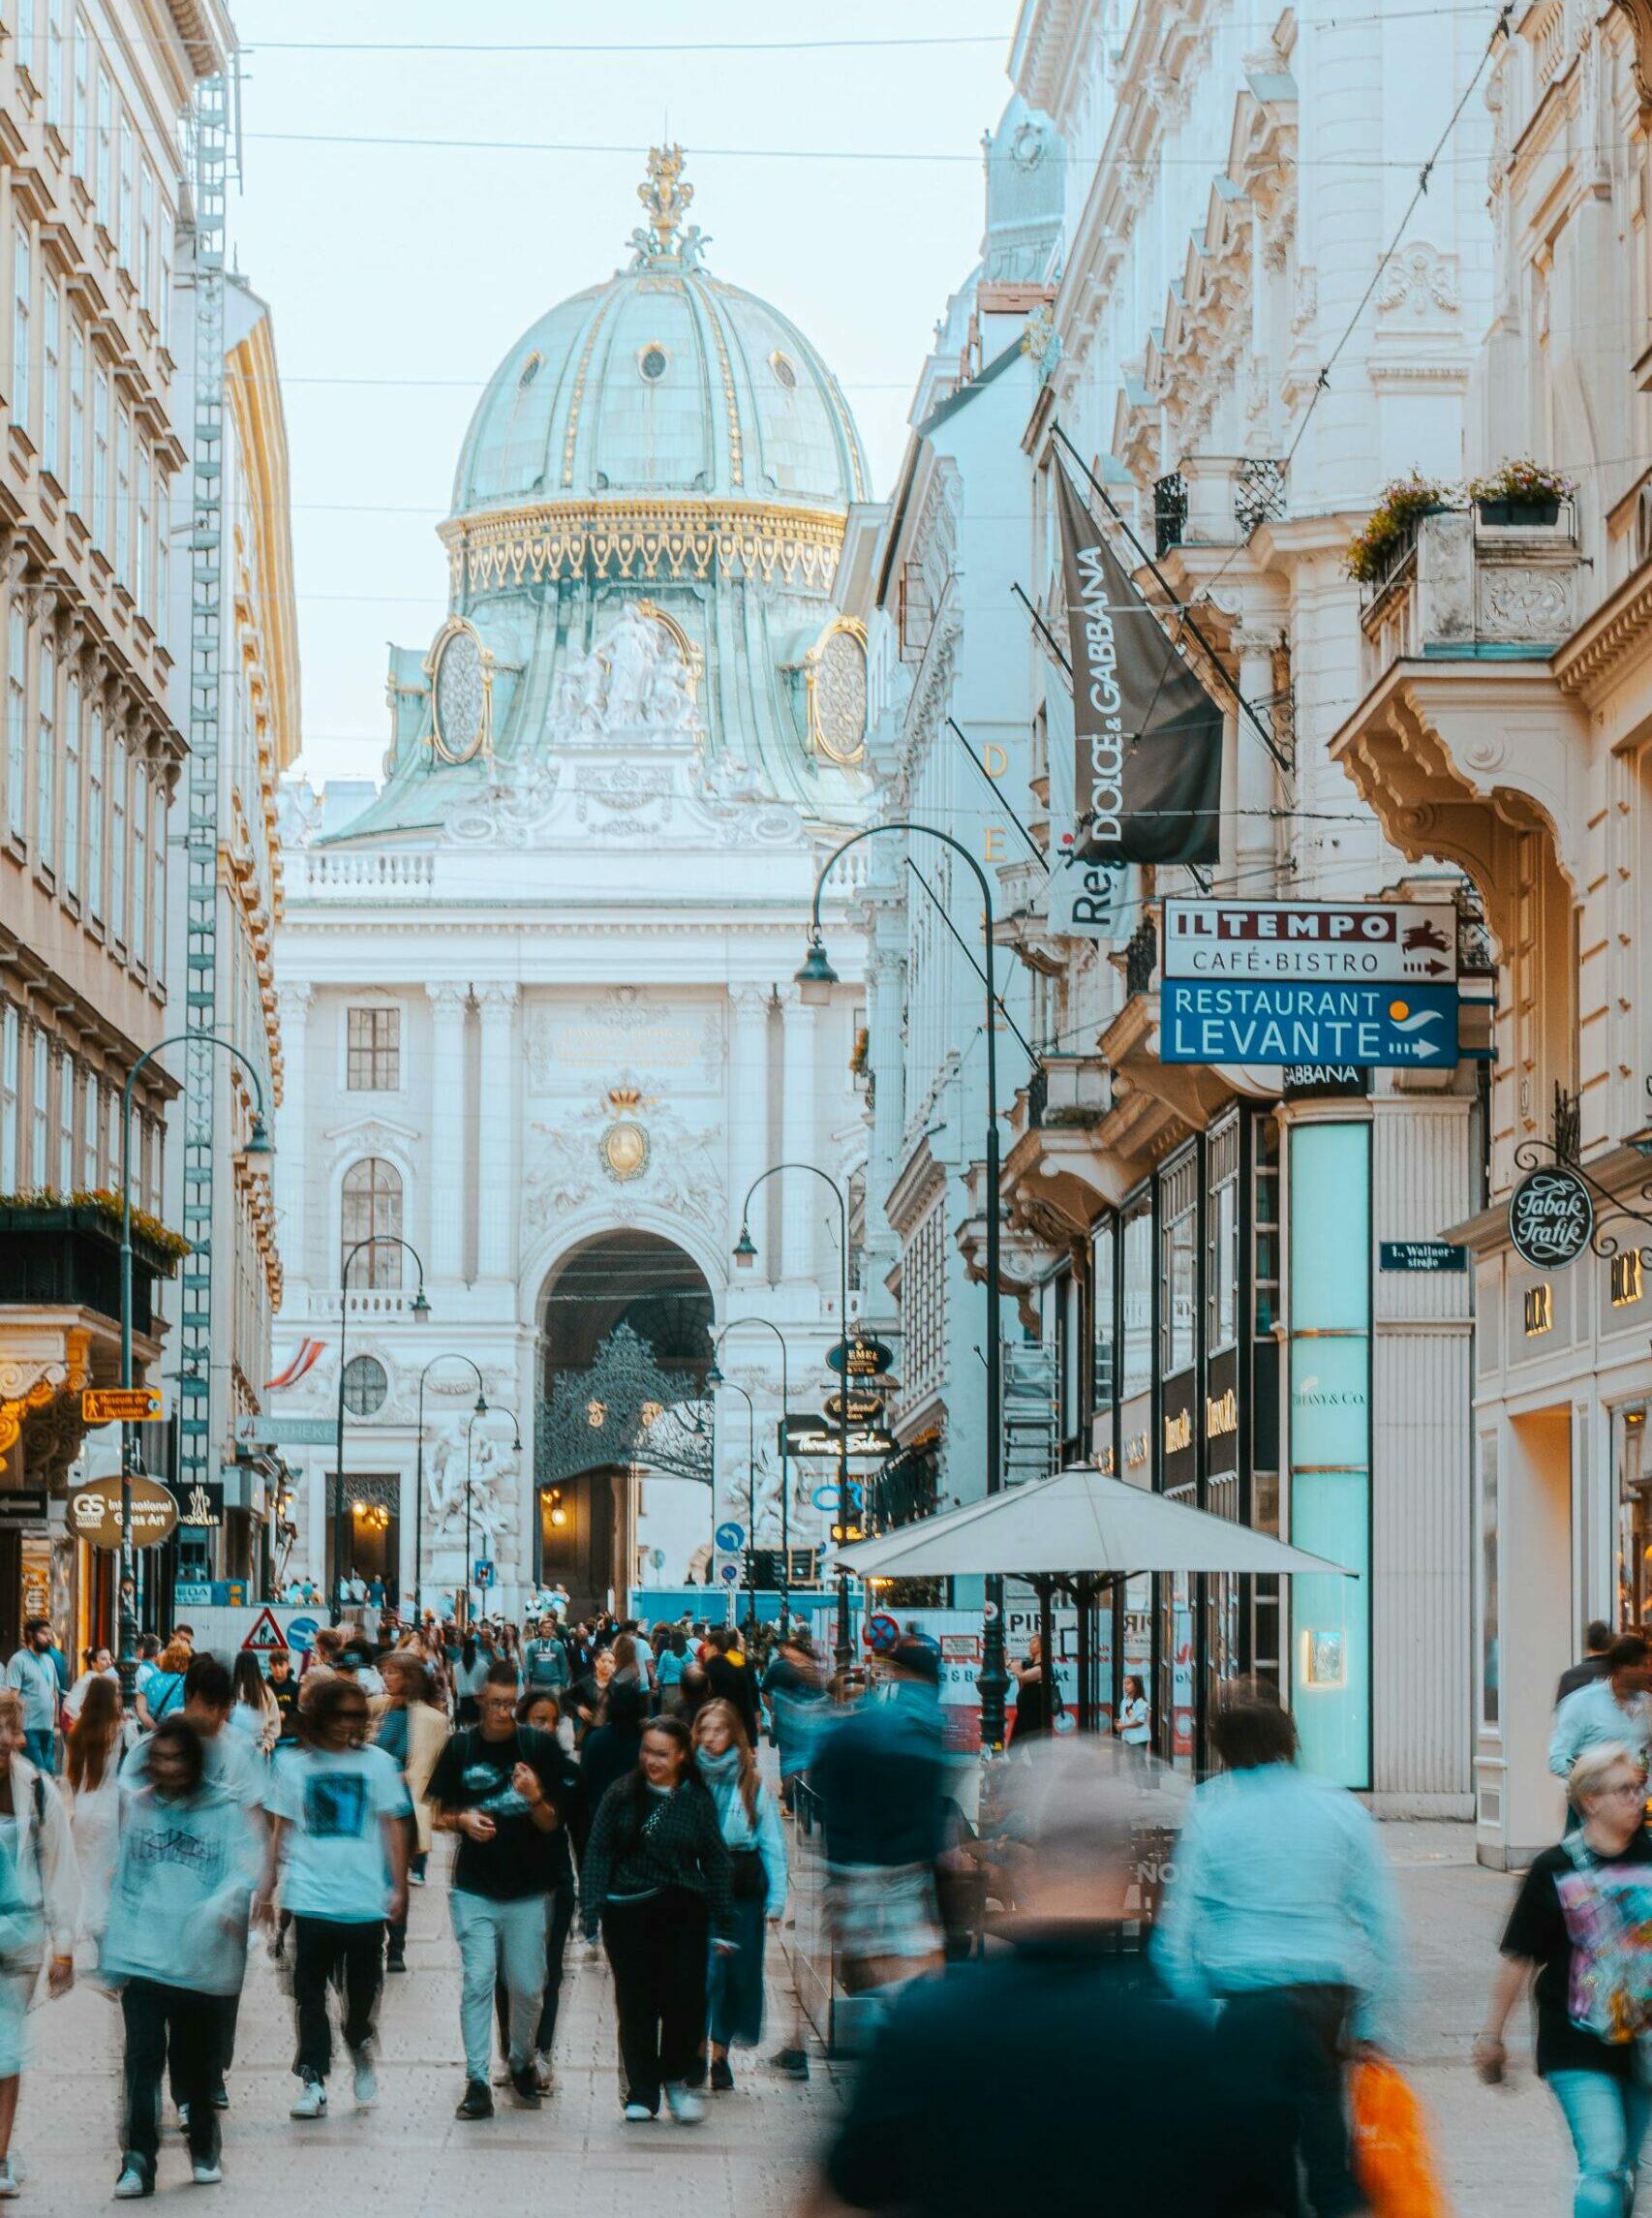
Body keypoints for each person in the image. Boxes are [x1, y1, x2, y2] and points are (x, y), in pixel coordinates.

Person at [809, 1738, 1295, 2218]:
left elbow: (836, 2203)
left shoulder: (926, 2029)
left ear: (1033, 1862)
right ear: (1119, 1864)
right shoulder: (1200, 2057)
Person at [1154, 1679, 1401, 2218]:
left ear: (1223, 1749)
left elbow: (1179, 1925)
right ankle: (1333, 2195)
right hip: (1323, 1990)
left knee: (1254, 2146)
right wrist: (1374, 2024)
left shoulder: (1209, 1807)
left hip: (1243, 1994)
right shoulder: (1338, 1807)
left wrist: (1195, 2007)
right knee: (1322, 2114)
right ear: (1290, 1740)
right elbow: (1381, 1920)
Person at [1476, 1740, 1652, 2218]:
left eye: (1639, 1789)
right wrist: (1491, 2036)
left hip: (1642, 2042)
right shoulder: (1553, 1868)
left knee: (1626, 2166)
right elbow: (1520, 1957)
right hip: (1573, 2039)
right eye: (1625, 1791)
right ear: (1590, 1801)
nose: (1638, 1800)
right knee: (1602, 2161)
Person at [106, 1717, 259, 2197]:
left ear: (194, 1761)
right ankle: (138, 2160)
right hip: (145, 1957)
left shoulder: (223, 1809)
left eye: (178, 1758)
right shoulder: (139, 1808)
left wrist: (221, 1907)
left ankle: (205, 2145)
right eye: (161, 1759)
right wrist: (113, 1948)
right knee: (142, 2060)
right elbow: (125, 1880)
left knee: (194, 2062)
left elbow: (243, 1868)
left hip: (197, 1961)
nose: (168, 1768)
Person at [121, 1654, 268, 2118]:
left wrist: (257, 1882)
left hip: (223, 1893)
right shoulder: (152, 1748)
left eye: (224, 1708)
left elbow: (253, 1818)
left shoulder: (238, 1750)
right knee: (164, 2003)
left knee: (220, 1991)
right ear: (189, 1700)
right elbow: (126, 1812)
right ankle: (179, 2094)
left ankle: (208, 2078)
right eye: (210, 1707)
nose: (218, 1718)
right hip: (161, 1899)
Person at [260, 1673, 410, 2121]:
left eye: (356, 1716)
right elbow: (280, 1830)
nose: (349, 1724)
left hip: (363, 1902)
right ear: (319, 1717)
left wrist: (398, 1886)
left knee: (360, 1998)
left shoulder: (378, 1765)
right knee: (309, 1996)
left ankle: (360, 2041)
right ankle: (313, 2079)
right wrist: (268, 1889)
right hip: (310, 1900)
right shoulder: (292, 1765)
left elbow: (393, 1825)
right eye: (340, 1715)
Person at [427, 1659, 573, 2120]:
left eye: (509, 1705)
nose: (501, 1713)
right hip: (474, 1888)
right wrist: (462, 1821)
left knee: (529, 1988)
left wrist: (533, 1798)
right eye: (494, 1703)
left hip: (528, 1891)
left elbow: (553, 1824)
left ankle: (520, 2058)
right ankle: (476, 2081)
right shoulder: (461, 1747)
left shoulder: (537, 1747)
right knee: (477, 1981)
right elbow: (435, 1813)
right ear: (479, 1699)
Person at [580, 1716, 733, 2125]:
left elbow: (716, 1859)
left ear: (682, 1755)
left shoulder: (696, 1800)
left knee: (685, 2000)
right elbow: (598, 1851)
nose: (652, 1760)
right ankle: (643, 2091)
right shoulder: (621, 1794)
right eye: (647, 1751)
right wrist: (591, 1909)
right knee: (636, 2003)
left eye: (662, 1753)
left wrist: (726, 1919)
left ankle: (676, 2079)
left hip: (683, 1911)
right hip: (627, 1912)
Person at [810, 1640, 947, 1995]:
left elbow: (827, 1786)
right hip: (900, 1864)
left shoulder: (869, 1724)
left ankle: (890, 2023)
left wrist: (837, 1859)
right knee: (910, 1951)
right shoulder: (928, 1730)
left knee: (867, 1949)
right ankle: (904, 2021)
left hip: (863, 1862)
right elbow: (928, 1809)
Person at [0, 1689, 76, 2197]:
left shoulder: (37, 1788)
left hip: (18, 1941)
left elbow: (60, 1870)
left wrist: (63, 1945)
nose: (20, 1738)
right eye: (10, 1727)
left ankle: (0, 2155)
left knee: (4, 2049)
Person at [692, 1700, 786, 2093]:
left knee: (735, 1976)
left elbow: (772, 1844)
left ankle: (720, 2051)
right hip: (697, 1891)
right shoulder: (689, 1778)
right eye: (705, 1730)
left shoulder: (752, 1784)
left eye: (719, 1730)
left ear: (734, 1734)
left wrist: (777, 1898)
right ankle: (697, 2049)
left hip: (742, 1892)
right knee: (703, 1975)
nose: (711, 1738)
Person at [491, 1689, 579, 2095]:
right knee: (507, 1975)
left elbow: (562, 1825)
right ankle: (513, 2052)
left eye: (551, 1720)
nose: (545, 1727)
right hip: (505, 1883)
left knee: (548, 1972)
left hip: (554, 1880)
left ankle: (540, 2053)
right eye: (537, 1720)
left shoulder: (562, 1769)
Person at [377, 1653, 445, 1969]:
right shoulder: (378, 1709)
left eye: (392, 1672)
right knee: (375, 1877)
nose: (386, 1678)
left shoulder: (427, 1719)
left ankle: (397, 1948)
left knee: (396, 1877)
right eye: (384, 1672)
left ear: (409, 1677)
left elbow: (429, 1765)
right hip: (373, 1806)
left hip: (402, 1808)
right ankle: (375, 1939)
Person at [63, 1677, 130, 1947]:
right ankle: (101, 1933)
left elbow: (70, 1776)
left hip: (82, 1808)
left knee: (85, 1874)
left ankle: (81, 1924)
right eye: (116, 1695)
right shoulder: (119, 1729)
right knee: (105, 1875)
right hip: (107, 1809)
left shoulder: (78, 1733)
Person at [1551, 1637, 1652, 1802]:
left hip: (1637, 1810)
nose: (1649, 1671)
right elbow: (1558, 1759)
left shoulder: (1648, 1705)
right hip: (1595, 1815)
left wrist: (1643, 1771)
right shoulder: (1582, 1703)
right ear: (1623, 1668)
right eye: (1644, 1665)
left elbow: (1645, 1752)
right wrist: (1603, 1781)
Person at [761, 1633, 824, 1811]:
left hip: (785, 1723)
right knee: (808, 1761)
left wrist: (773, 1710)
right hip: (807, 1724)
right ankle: (807, 1798)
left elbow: (765, 1692)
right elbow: (820, 1696)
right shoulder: (811, 1669)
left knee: (788, 1760)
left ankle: (791, 1801)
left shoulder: (777, 1668)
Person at [4, 1618, 60, 1774]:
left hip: (47, 1727)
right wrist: (17, 1730)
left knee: (48, 1771)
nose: (49, 1638)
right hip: (28, 1727)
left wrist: (56, 1724)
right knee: (37, 1772)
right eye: (43, 1634)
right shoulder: (18, 1660)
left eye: (50, 1634)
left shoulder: (49, 1660)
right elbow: (13, 1697)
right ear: (30, 1635)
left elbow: (54, 1693)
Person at [703, 1627, 760, 1746]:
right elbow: (747, 1706)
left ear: (714, 1647)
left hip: (708, 1732)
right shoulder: (739, 1671)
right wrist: (752, 1740)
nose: (704, 1651)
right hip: (734, 1729)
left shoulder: (703, 1672)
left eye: (706, 1647)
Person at [1009, 1632, 1058, 1743]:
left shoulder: (1043, 1666)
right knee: (1014, 1746)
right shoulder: (1029, 1663)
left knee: (1034, 1743)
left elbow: (1023, 1677)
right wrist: (1011, 1664)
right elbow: (1014, 1665)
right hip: (1023, 1712)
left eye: (1033, 1642)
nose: (1030, 1645)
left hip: (1035, 1712)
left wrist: (1014, 1667)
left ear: (1042, 1645)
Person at [228, 1653, 280, 1758]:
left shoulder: (231, 1691)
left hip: (233, 1752)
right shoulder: (266, 1692)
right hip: (259, 1751)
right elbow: (274, 1725)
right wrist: (265, 1746)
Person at [137, 1637, 191, 1733]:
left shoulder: (153, 1678)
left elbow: (140, 1709)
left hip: (152, 1739)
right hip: (179, 1736)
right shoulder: (187, 1681)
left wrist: (156, 1731)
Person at [1558, 1620, 1617, 1705]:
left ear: (1587, 1642)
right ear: (1613, 1642)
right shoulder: (1619, 1675)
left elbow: (1562, 1712)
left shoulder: (1571, 1677)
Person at [64, 1646, 118, 1722]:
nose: (109, 1662)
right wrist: (86, 1722)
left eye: (109, 1658)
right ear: (93, 1663)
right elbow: (70, 1705)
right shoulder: (86, 1681)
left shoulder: (104, 1679)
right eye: (103, 1659)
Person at [524, 1617, 570, 1698]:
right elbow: (528, 1663)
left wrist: (563, 1684)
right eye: (545, 1627)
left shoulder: (559, 1646)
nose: (547, 1630)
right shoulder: (533, 1645)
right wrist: (526, 1679)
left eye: (550, 1628)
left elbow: (563, 1665)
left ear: (553, 1630)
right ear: (540, 1629)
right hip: (536, 1684)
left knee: (554, 1709)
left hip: (554, 1685)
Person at [266, 1650, 300, 1742]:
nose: (277, 1668)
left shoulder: (296, 1688)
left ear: (288, 1665)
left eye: (281, 1664)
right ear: (270, 1666)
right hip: (268, 1736)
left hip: (289, 1737)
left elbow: (301, 1715)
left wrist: (286, 1715)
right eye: (274, 1665)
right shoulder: (265, 1688)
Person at [1117, 1674, 1150, 1748]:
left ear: (1136, 1686)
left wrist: (1123, 1726)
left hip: (1139, 1738)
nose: (1125, 1686)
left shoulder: (1141, 1702)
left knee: (1138, 1759)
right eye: (1124, 1684)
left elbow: (1140, 1722)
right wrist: (1119, 1722)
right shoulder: (1124, 1701)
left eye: (1128, 1683)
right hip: (1127, 1738)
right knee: (1130, 1759)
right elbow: (1126, 1717)